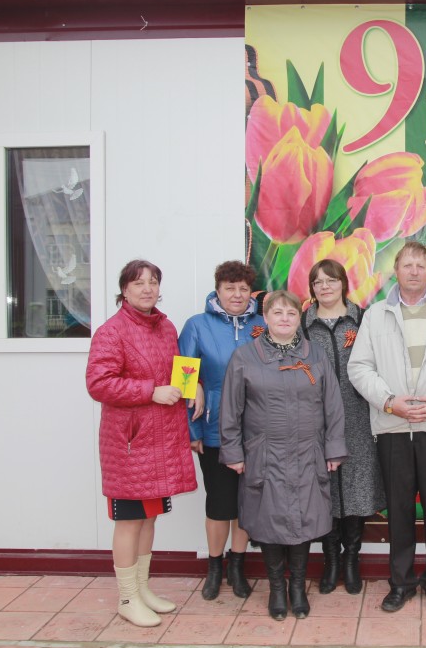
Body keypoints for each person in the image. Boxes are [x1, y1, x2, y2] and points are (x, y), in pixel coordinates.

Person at [347, 241, 426, 615]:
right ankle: (400, 584)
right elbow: (359, 367)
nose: (414, 271)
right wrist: (389, 401)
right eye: (407, 265)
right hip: (393, 427)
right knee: (399, 512)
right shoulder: (376, 316)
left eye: (421, 265)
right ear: (397, 271)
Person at [219, 290, 347, 621]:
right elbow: (231, 409)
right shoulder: (245, 357)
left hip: (308, 452)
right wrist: (233, 451)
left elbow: (333, 405)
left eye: (291, 313)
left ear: (299, 318)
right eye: (277, 313)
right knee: (268, 520)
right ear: (265, 318)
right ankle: (277, 588)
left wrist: (334, 447)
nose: (285, 319)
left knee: (304, 520)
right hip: (264, 454)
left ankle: (298, 588)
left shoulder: (315, 354)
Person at [86, 260, 197, 628]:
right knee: (129, 521)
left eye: (153, 282)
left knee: (149, 518)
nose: (147, 289)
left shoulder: (165, 326)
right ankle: (127, 597)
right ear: (125, 290)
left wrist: (192, 385)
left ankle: (143, 589)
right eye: (138, 283)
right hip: (131, 445)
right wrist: (151, 391)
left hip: (161, 442)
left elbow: (177, 369)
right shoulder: (111, 331)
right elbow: (99, 384)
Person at [178, 261, 266, 601]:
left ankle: (237, 567)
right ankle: (214, 567)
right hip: (214, 429)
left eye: (243, 289)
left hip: (256, 431)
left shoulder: (262, 325)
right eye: (230, 288)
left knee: (246, 504)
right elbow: (184, 381)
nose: (237, 295)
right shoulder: (196, 326)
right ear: (217, 291)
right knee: (219, 503)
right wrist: (193, 431)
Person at [301, 259, 385, 595]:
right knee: (325, 491)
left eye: (331, 280)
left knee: (356, 490)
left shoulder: (363, 320)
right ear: (312, 288)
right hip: (316, 422)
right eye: (318, 282)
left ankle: (351, 558)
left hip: (358, 419)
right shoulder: (303, 325)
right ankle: (330, 559)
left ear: (343, 284)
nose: (325, 287)